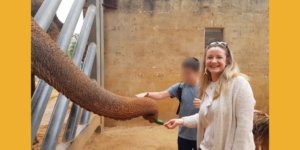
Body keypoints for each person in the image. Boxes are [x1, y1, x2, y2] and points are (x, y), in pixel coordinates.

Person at [164, 41, 256, 150]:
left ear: (227, 61)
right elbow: (206, 117)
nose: (213, 61)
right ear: (205, 62)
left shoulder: (239, 84)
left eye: (219, 57)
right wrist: (181, 121)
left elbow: (244, 128)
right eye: (210, 57)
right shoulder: (208, 86)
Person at [136, 57, 201, 150]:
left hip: (200, 135)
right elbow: (161, 94)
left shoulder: (206, 88)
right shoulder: (180, 87)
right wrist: (147, 94)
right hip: (183, 135)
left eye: (188, 73)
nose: (185, 76)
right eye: (184, 73)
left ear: (197, 72)